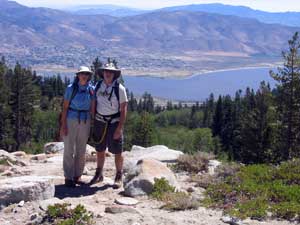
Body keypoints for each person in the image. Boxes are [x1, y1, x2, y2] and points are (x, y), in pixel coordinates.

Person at [89, 62, 128, 188]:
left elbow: (123, 109)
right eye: (106, 71)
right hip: (99, 121)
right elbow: (94, 101)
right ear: (103, 73)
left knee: (118, 151)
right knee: (100, 149)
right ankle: (99, 173)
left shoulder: (119, 89)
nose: (108, 73)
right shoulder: (98, 85)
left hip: (114, 122)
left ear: (114, 74)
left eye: (110, 72)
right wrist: (93, 119)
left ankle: (118, 175)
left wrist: (119, 128)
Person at [60, 66, 95, 187]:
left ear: (89, 76)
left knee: (81, 149)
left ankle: (77, 176)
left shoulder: (91, 89)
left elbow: (93, 107)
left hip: (85, 120)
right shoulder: (71, 88)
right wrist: (63, 124)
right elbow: (64, 107)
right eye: (82, 73)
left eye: (86, 74)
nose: (84, 75)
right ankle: (68, 177)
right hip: (71, 118)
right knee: (69, 148)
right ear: (78, 75)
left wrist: (93, 122)